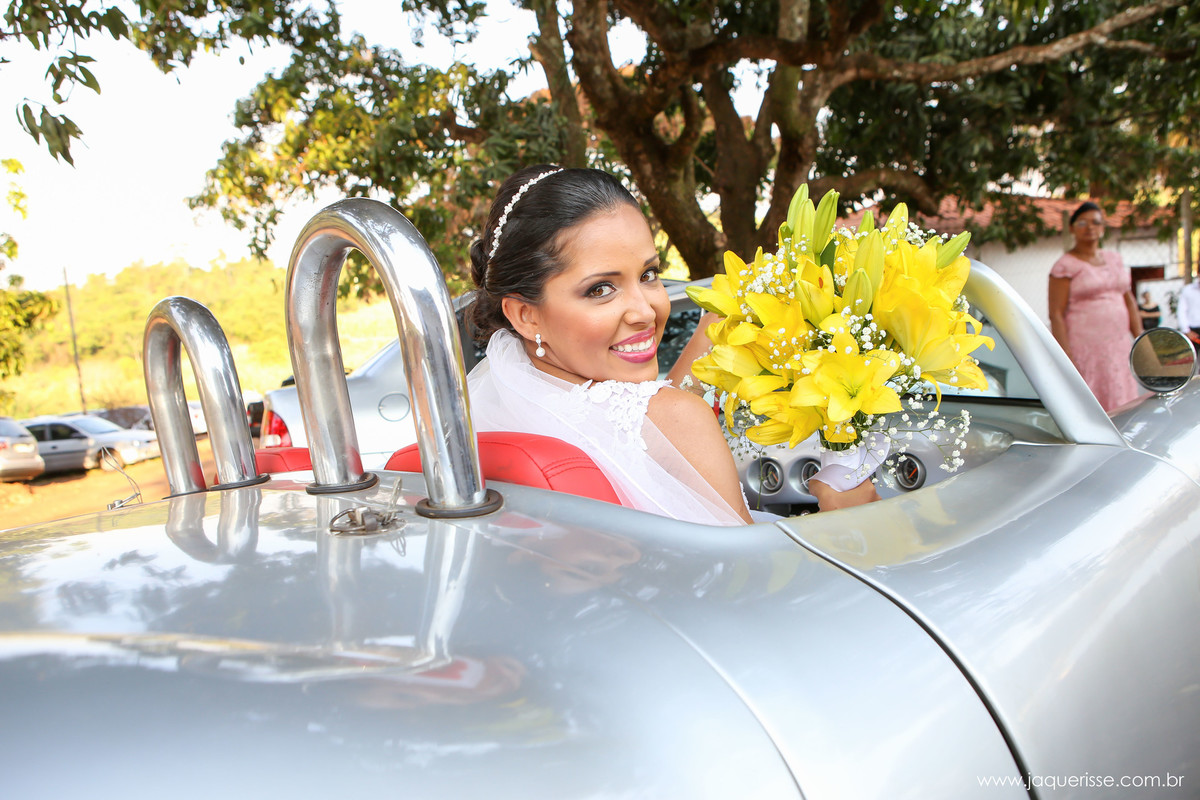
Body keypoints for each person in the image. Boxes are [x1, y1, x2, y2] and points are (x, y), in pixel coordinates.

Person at [465, 165, 878, 524]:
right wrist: (844, 510)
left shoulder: (488, 400)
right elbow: (744, 586)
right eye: (601, 289)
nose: (645, 312)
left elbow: (643, 432)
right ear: (525, 315)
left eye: (648, 274)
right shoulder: (678, 419)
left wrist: (708, 337)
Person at [1048, 201, 1143, 412]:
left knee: (1123, 396)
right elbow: (1056, 313)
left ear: (1103, 228)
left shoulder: (1114, 259)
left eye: (1096, 222)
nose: (1090, 227)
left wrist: (1141, 339)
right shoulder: (1065, 266)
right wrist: (1066, 356)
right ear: (1072, 228)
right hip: (1086, 347)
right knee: (1093, 401)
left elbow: (1128, 299)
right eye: (1082, 223)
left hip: (1118, 345)